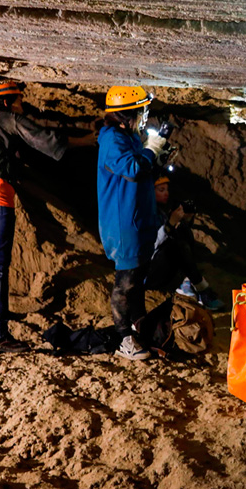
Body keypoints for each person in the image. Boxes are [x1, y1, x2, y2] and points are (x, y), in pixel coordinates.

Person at [0, 80, 94, 354]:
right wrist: (86, 141)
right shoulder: (9, 118)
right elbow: (46, 140)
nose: (22, 104)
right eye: (18, 99)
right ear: (6, 101)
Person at [97, 84, 170, 361]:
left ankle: (139, 325)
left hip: (138, 219)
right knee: (126, 282)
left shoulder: (128, 137)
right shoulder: (112, 138)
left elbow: (144, 168)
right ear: (127, 113)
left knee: (138, 277)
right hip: (123, 224)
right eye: (140, 111)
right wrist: (151, 149)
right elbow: (131, 169)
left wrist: (158, 153)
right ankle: (123, 337)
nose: (143, 116)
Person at [145, 171, 224, 311]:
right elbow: (150, 246)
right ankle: (199, 289)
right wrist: (169, 225)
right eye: (161, 190)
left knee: (183, 231)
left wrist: (186, 220)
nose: (166, 193)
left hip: (162, 268)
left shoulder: (160, 212)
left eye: (167, 189)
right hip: (148, 274)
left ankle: (188, 283)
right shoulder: (144, 214)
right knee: (175, 245)